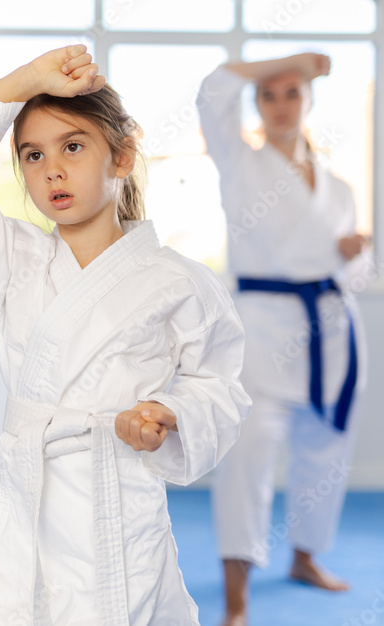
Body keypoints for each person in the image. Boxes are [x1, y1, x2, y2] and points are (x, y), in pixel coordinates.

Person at [0, 44, 251, 624]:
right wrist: (24, 80)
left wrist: (167, 412)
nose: (52, 170)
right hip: (25, 497)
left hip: (119, 502)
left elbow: (220, 386)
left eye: (72, 146)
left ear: (122, 155)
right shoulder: (9, 259)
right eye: (33, 155)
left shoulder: (179, 281)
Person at [198, 54, 370, 626]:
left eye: (292, 92)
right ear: (256, 105)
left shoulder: (338, 187)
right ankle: (236, 594)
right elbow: (213, 91)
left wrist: (353, 256)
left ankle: (305, 557)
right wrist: (295, 62)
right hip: (263, 331)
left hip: (330, 330)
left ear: (309, 101)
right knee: (248, 455)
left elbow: (350, 270)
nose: (280, 105)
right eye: (268, 95)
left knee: (325, 449)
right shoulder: (238, 162)